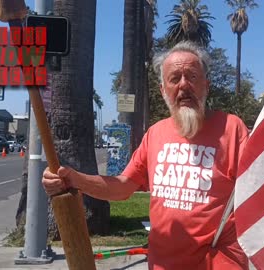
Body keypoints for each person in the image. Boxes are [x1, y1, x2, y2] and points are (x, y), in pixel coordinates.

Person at [42, 41, 250, 269]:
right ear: (163, 90)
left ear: (206, 86)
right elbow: (122, 187)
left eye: (191, 76)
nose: (184, 85)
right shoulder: (155, 133)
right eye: (174, 78)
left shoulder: (232, 129)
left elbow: (258, 195)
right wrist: (74, 179)